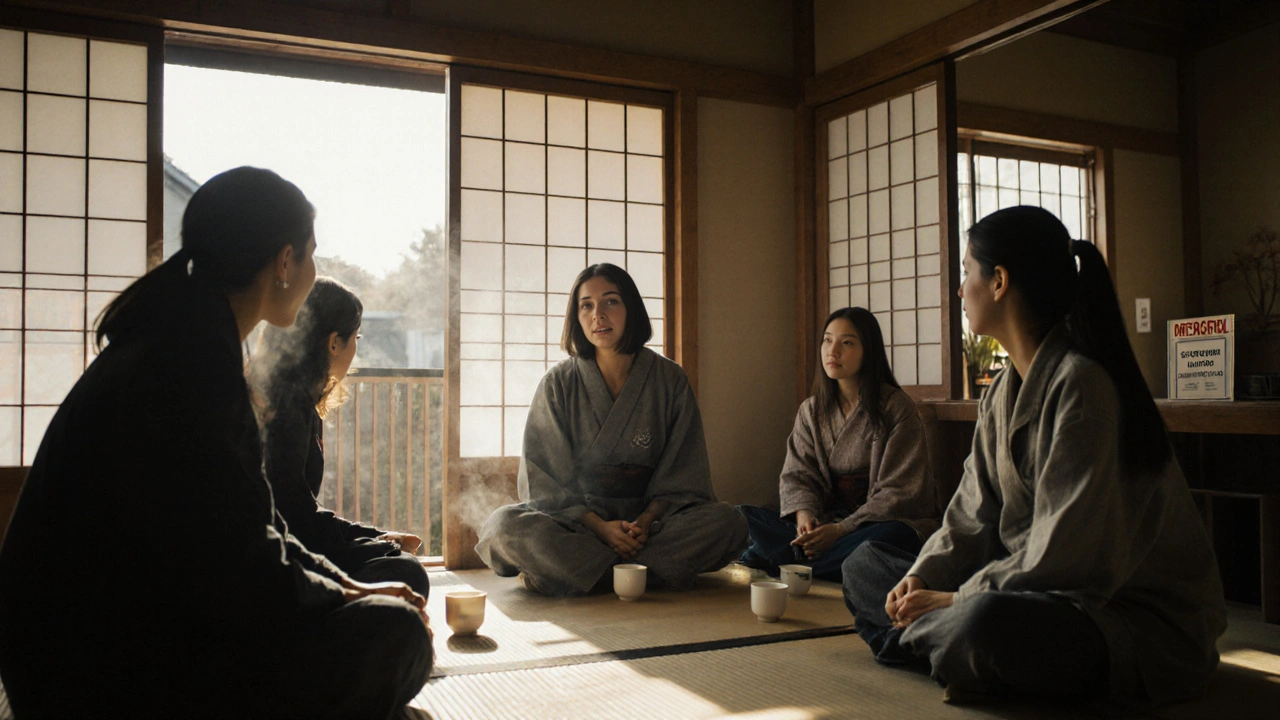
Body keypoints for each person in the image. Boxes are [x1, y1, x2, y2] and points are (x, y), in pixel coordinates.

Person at [0, 168, 433, 720]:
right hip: (96, 679)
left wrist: (347, 586)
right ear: (284, 261)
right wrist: (350, 597)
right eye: (312, 253)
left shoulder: (182, 338)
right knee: (398, 634)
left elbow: (256, 526)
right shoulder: (190, 364)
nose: (314, 269)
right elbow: (244, 567)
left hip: (82, 654)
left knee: (382, 612)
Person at [842, 206, 1226, 707]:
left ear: (998, 280)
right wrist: (924, 577)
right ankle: (951, 651)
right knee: (865, 565)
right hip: (1029, 589)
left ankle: (941, 646)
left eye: (965, 274)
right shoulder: (1001, 391)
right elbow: (970, 515)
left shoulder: (1082, 387)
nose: (960, 290)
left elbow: (1067, 557)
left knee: (984, 624)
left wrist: (959, 599)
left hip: (1121, 618)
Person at [475, 263, 748, 597]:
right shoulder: (558, 384)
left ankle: (582, 573)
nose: (598, 314)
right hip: (579, 526)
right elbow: (543, 482)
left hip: (650, 527)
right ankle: (639, 572)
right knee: (504, 527)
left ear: (631, 308)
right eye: (586, 305)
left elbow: (683, 473)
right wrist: (601, 528)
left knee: (728, 522)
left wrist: (644, 523)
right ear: (576, 317)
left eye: (610, 302)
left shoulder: (669, 380)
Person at [249, 277, 431, 598]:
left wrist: (378, 536)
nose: (356, 348)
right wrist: (375, 543)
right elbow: (295, 517)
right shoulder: (288, 405)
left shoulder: (292, 395)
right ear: (334, 342)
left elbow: (301, 509)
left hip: (286, 543)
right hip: (273, 558)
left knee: (396, 562)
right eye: (355, 337)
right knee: (405, 570)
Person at [738, 307, 940, 582]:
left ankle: (788, 564)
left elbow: (899, 492)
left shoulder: (896, 408)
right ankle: (812, 561)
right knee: (744, 517)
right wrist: (805, 520)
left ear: (868, 350)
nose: (833, 351)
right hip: (826, 524)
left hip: (872, 525)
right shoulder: (812, 411)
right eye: (827, 340)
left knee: (886, 540)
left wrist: (842, 529)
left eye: (846, 343)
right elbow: (798, 476)